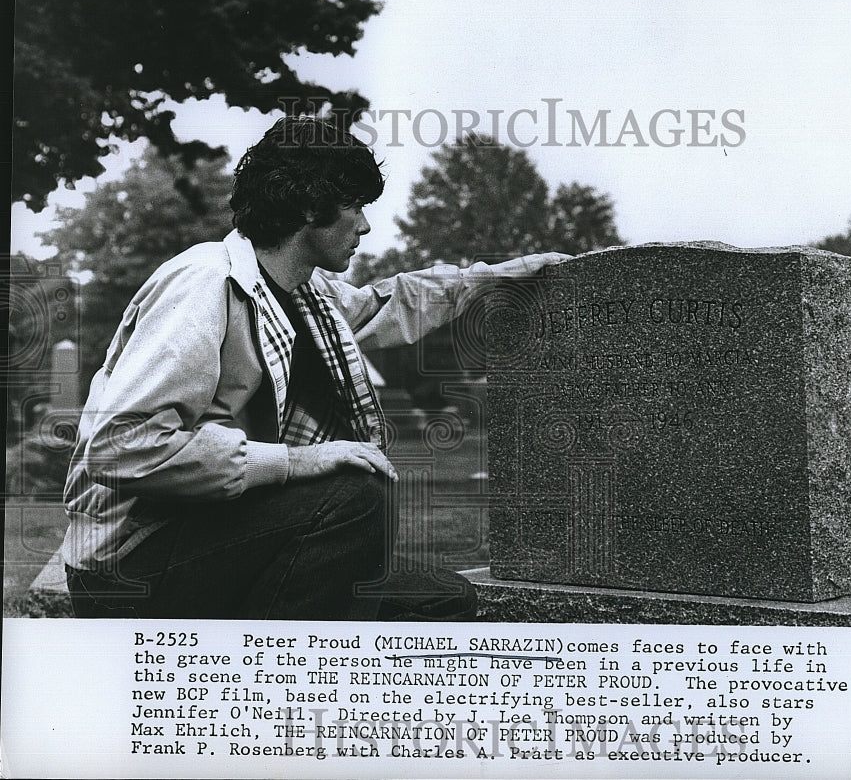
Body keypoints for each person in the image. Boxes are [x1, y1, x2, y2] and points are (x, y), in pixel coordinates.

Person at [62, 115, 567, 620]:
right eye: (355, 207)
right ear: (309, 206)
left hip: (213, 532)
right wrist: (298, 461)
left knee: (445, 599)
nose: (365, 226)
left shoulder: (309, 298)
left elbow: (390, 303)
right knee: (354, 493)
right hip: (127, 564)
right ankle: (269, 679)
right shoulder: (205, 283)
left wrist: (494, 280)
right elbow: (121, 447)